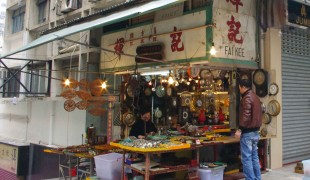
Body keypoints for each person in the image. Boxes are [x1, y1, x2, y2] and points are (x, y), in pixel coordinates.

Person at [235, 78, 262, 180]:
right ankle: (257, 178)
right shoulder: (255, 97)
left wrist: (240, 129)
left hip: (248, 133)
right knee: (254, 157)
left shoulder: (246, 98)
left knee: (247, 159)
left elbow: (246, 115)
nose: (239, 90)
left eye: (239, 88)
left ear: (242, 87)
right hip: (255, 132)